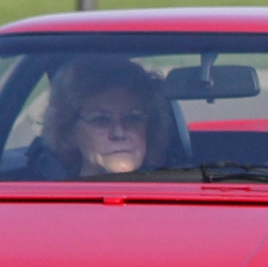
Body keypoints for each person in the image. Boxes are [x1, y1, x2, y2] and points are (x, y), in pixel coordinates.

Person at [28, 58, 173, 178]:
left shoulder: (175, 198)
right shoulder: (48, 203)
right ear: (69, 131)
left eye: (132, 119)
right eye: (101, 120)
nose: (119, 133)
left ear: (149, 128)